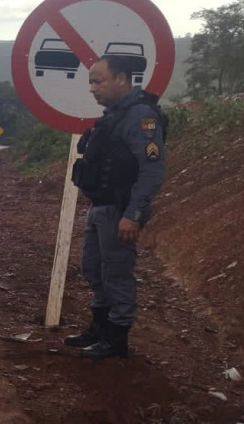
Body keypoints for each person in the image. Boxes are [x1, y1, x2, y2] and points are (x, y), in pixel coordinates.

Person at [64, 55, 167, 360]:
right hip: (101, 207)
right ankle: (99, 328)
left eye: (99, 81)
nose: (93, 88)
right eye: (91, 82)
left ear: (122, 78)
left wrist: (132, 215)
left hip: (119, 211)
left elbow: (152, 171)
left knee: (117, 274)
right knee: (93, 268)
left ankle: (116, 339)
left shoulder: (141, 117)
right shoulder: (115, 115)